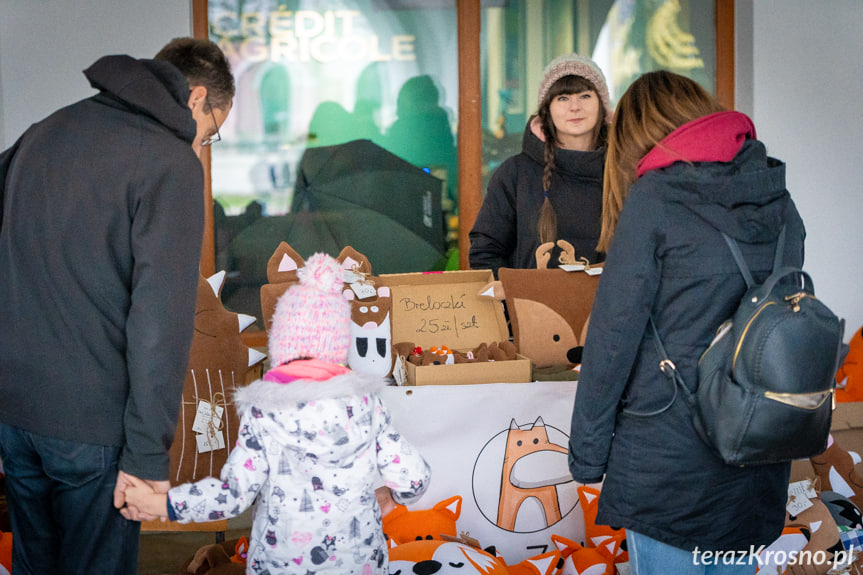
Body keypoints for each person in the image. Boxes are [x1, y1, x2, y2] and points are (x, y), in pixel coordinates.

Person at [0, 37, 234, 573]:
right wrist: (147, 459)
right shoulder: (168, 163)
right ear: (196, 97)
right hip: (91, 425)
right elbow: (159, 321)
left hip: (14, 412)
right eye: (212, 132)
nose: (202, 146)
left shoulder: (45, 131)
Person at [567, 70, 805, 574]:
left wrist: (587, 455)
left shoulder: (654, 200)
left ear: (635, 135)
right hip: (756, 447)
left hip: (668, 456)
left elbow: (612, 340)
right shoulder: (777, 198)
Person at [123, 253, 432, 574]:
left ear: (281, 342)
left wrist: (163, 503)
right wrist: (391, 496)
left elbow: (233, 496)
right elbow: (414, 478)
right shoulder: (368, 405)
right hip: (359, 563)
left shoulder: (265, 412)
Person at [469, 53, 611, 277]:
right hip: (529, 310)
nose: (575, 107)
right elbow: (486, 251)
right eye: (562, 98)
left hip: (610, 311)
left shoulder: (624, 172)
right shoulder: (515, 174)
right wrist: (514, 301)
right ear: (547, 109)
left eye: (585, 96)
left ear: (602, 104)